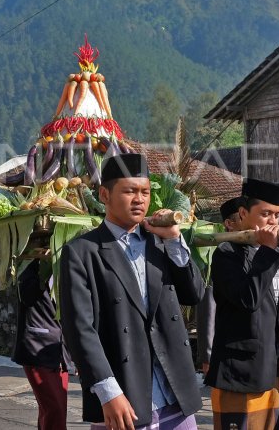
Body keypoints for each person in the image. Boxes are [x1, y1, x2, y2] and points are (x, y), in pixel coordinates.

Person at [60, 153, 205, 430]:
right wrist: (107, 391)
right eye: (129, 191)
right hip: (123, 394)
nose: (139, 199)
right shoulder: (82, 252)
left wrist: (175, 240)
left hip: (174, 393)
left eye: (145, 192)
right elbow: (80, 328)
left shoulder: (161, 242)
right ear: (104, 194)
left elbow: (193, 293)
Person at [206, 178, 279, 430]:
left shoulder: (278, 257)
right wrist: (266, 251)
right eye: (265, 214)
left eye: (277, 215)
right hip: (243, 371)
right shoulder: (226, 254)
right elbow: (248, 299)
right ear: (243, 213)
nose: (273, 221)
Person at [12, 258, 72, 430]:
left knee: (53, 412)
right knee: (55, 411)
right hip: (36, 348)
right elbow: (27, 296)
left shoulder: (65, 263)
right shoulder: (29, 264)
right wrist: (43, 266)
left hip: (61, 352)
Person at [197, 196, 241, 375]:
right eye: (242, 217)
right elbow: (208, 307)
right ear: (229, 224)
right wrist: (207, 356)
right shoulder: (220, 255)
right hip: (228, 349)